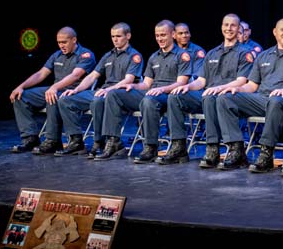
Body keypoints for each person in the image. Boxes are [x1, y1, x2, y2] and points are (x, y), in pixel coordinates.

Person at [215, 18, 283, 171]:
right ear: (275, 32)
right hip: (262, 99)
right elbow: (252, 85)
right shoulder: (264, 55)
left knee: (275, 100)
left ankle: (266, 153)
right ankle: (237, 150)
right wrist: (238, 90)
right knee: (225, 98)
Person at [158, 13, 253, 167]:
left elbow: (242, 81)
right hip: (208, 95)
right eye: (226, 25)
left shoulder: (245, 53)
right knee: (175, 97)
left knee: (210, 97)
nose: (229, 28)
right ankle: (179, 146)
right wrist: (187, 86)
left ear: (238, 29)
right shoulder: (212, 53)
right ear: (221, 27)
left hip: (229, 97)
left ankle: (215, 148)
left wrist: (219, 88)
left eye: (233, 25)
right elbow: (202, 81)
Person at [104, 20, 192, 163]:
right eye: (157, 35)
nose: (159, 39)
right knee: (114, 94)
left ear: (173, 34)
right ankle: (114, 142)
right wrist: (133, 86)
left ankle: (150, 147)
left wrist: (162, 89)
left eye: (163, 35)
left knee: (149, 100)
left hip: (170, 95)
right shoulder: (154, 57)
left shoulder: (182, 56)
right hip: (152, 93)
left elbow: (182, 82)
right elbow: (146, 84)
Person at [57, 23, 143, 157]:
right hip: (103, 91)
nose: (115, 39)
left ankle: (99, 141)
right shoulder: (108, 55)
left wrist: (109, 90)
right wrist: (77, 90)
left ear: (128, 36)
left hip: (119, 94)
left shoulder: (135, 56)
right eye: (113, 36)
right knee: (65, 100)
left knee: (98, 101)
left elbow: (128, 79)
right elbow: (92, 76)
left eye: (118, 36)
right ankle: (76, 141)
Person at [8, 27, 96, 154]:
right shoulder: (57, 55)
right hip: (55, 90)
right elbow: (41, 74)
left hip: (74, 93)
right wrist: (21, 86)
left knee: (52, 97)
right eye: (59, 42)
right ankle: (30, 138)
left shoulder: (85, 55)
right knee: (21, 96)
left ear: (74, 40)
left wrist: (54, 87)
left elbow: (75, 75)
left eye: (64, 42)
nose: (61, 45)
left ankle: (52, 140)